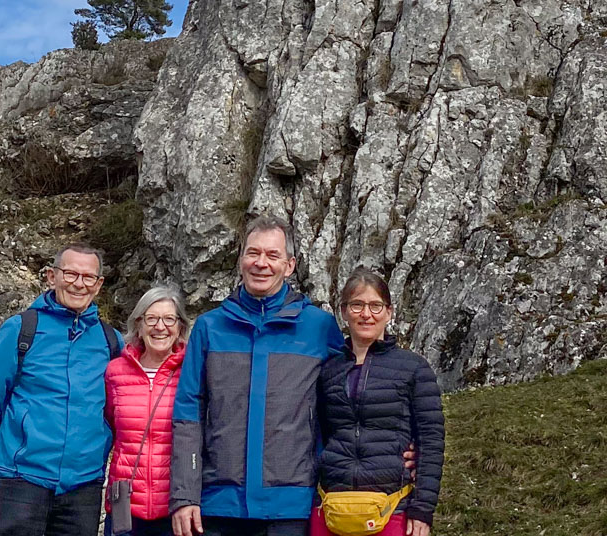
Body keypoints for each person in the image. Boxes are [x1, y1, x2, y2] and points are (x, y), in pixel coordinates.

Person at [171, 216, 344, 536]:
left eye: (272, 255)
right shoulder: (210, 327)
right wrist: (184, 494)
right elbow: (188, 413)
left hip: (292, 506)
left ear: (289, 266)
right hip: (218, 505)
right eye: (253, 253)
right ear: (240, 260)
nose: (261, 263)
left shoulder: (319, 327)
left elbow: (347, 405)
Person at [0, 244, 123, 536]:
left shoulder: (111, 341)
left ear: (99, 285)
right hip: (19, 483)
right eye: (70, 273)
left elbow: (124, 410)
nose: (79, 283)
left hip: (82, 489)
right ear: (52, 276)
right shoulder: (21, 330)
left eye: (88, 277)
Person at [311, 268, 442, 536]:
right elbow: (319, 436)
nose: (366, 314)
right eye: (357, 305)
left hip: (392, 507)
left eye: (375, 306)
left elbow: (431, 439)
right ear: (344, 312)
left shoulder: (414, 368)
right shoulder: (327, 371)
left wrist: (423, 509)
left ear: (389, 312)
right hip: (331, 506)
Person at [105, 285, 191, 536]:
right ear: (139, 326)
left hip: (176, 507)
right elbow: (109, 426)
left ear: (180, 327)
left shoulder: (192, 372)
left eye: (168, 319)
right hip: (126, 507)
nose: (160, 327)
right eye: (151, 318)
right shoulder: (115, 372)